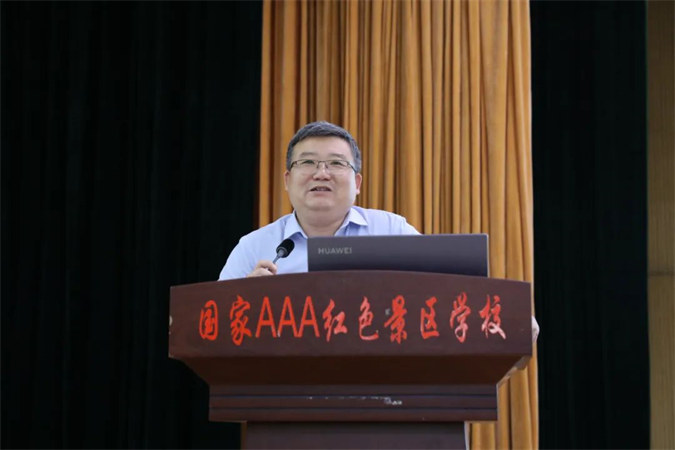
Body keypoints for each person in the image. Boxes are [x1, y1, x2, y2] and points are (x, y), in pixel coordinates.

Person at [218, 120, 419, 281]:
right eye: (307, 162)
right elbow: (219, 316)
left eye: (336, 163)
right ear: (287, 180)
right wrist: (246, 296)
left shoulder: (393, 231)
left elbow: (435, 293)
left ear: (357, 183)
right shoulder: (253, 248)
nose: (321, 174)